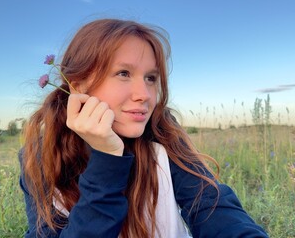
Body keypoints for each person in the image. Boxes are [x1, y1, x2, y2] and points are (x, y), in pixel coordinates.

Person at [19, 18, 269, 238]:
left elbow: (211, 205)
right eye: (123, 73)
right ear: (78, 86)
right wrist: (107, 158)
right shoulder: (40, 158)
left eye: (151, 78)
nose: (145, 95)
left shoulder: (162, 134)